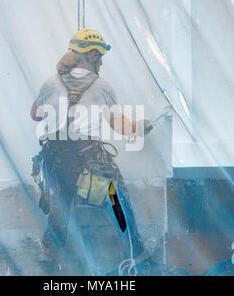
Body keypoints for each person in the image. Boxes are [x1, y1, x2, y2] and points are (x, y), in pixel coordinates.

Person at [30, 29, 152, 272]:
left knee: (61, 204)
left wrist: (60, 111)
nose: (102, 62)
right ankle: (135, 251)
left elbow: (35, 114)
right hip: (88, 159)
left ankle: (49, 253)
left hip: (54, 158)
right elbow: (119, 125)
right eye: (100, 57)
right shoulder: (102, 87)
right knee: (118, 198)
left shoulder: (50, 81)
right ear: (92, 56)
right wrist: (140, 128)